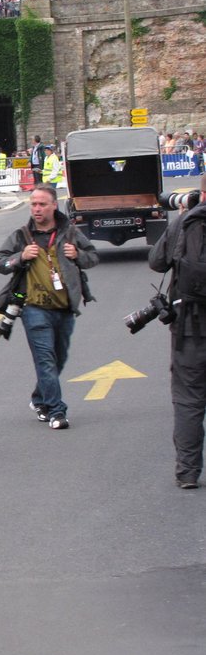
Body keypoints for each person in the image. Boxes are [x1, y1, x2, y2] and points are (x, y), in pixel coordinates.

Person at [0, 185, 99, 429]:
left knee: (59, 358)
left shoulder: (70, 233)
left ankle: (40, 399)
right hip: (33, 308)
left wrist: (77, 255)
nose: (37, 209)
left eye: (42, 204)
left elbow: (92, 257)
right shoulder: (21, 236)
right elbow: (0, 263)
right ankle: (56, 411)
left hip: (64, 308)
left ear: (54, 205)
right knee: (45, 360)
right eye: (33, 204)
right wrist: (20, 257)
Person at [149, 175, 206, 488]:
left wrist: (182, 218)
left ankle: (187, 472)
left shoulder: (184, 224)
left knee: (188, 401)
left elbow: (156, 262)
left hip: (189, 329)